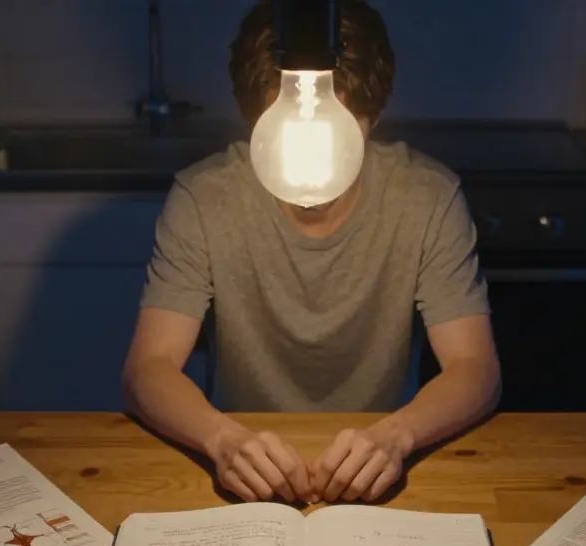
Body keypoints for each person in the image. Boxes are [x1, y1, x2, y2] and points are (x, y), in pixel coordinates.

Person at [121, 0, 501, 505]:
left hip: (377, 470)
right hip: (248, 472)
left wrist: (396, 435)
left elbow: (476, 367)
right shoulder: (205, 198)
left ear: (374, 116)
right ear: (258, 123)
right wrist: (223, 439)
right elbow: (148, 367)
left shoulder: (426, 196)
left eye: (335, 132)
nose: (310, 163)